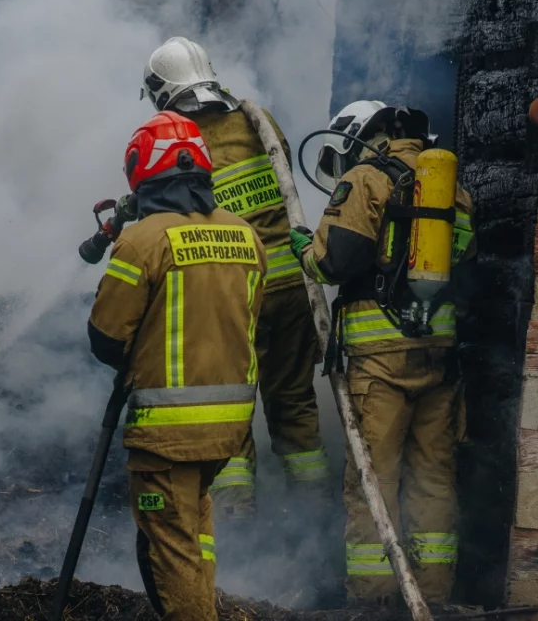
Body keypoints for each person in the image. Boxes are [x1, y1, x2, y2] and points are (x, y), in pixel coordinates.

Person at [289, 100, 476, 606]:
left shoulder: (367, 179)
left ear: (358, 138)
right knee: (434, 479)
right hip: (439, 356)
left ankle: (373, 600)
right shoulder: (450, 183)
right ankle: (433, 596)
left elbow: (334, 262)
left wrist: (303, 247)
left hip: (381, 363)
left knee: (373, 480)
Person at [138, 36, 328, 523]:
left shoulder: (178, 141)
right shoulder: (258, 120)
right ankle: (314, 517)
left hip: (237, 291)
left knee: (231, 407)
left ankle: (237, 523)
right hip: (294, 289)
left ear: (162, 90)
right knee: (295, 406)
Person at [88, 111, 266, 620]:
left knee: (167, 548)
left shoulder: (141, 241)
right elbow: (244, 321)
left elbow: (105, 338)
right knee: (194, 533)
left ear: (142, 170)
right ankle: (203, 604)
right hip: (227, 429)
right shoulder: (246, 236)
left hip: (166, 437)